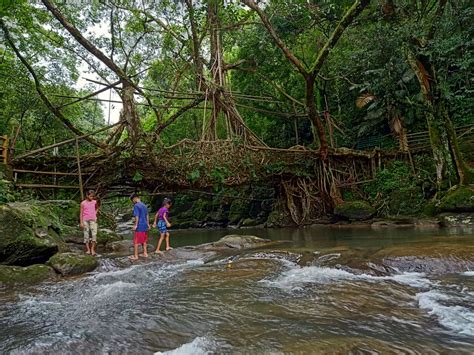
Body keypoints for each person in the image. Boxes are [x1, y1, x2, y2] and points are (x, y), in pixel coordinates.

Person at [130, 193, 150, 260]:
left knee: (136, 241)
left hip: (140, 225)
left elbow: (137, 216)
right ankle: (145, 253)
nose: (133, 202)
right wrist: (148, 224)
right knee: (144, 240)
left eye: (132, 200)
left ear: (135, 198)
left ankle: (136, 256)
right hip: (145, 225)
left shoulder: (136, 205)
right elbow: (147, 215)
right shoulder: (144, 205)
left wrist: (135, 225)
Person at [80, 190, 99, 256]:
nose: (92, 197)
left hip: (93, 220)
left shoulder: (95, 202)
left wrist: (95, 213)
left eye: (93, 196)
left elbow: (97, 208)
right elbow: (81, 213)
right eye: (91, 196)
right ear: (87, 195)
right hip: (85, 220)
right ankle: (88, 249)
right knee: (86, 235)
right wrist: (81, 222)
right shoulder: (83, 203)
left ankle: (92, 249)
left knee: (94, 234)